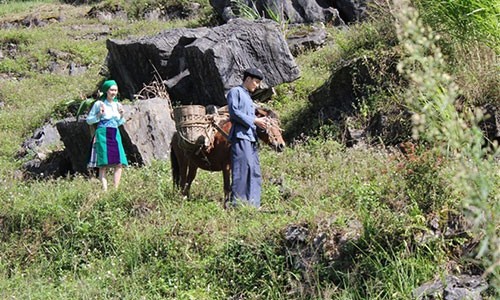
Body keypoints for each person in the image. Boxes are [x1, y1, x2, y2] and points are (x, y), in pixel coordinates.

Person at [227, 68, 268, 208]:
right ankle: (238, 205)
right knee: (242, 170)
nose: (257, 86)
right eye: (256, 82)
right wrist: (255, 121)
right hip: (240, 136)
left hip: (251, 138)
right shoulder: (235, 92)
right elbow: (234, 112)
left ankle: (253, 205)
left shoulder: (249, 98)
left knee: (254, 170)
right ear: (248, 79)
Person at [86, 79, 128, 191]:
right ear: (106, 91)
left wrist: (122, 115)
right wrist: (99, 114)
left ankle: (115, 189)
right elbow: (89, 120)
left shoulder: (117, 105)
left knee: (119, 163)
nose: (113, 93)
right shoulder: (99, 104)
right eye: (111, 90)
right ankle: (104, 190)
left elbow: (118, 122)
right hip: (102, 133)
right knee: (103, 164)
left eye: (115, 90)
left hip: (114, 133)